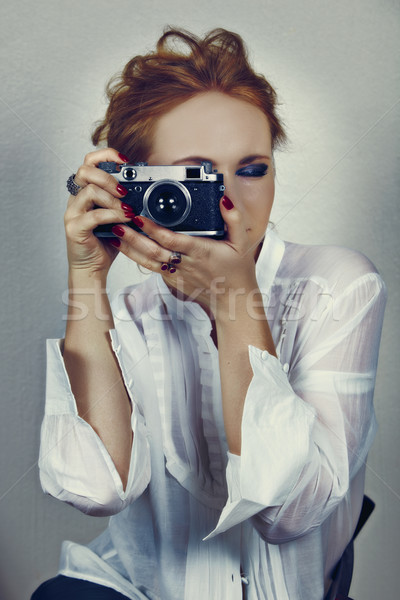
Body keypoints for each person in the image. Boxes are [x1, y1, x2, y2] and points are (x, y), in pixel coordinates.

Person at [32, 27, 386, 600]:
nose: (229, 199)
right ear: (137, 187)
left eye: (253, 169)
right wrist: (87, 276)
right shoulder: (128, 312)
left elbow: (288, 514)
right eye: (192, 175)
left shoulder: (337, 284)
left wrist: (233, 300)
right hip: (145, 587)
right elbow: (99, 491)